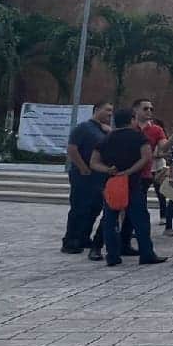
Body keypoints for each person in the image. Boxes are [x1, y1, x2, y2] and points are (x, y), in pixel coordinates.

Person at [90, 107, 165, 266]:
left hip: (112, 183)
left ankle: (112, 256)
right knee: (140, 221)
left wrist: (108, 170)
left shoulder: (106, 139)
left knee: (110, 220)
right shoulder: (139, 137)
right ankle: (146, 254)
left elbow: (94, 162)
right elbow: (147, 157)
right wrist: (129, 171)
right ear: (132, 120)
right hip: (132, 184)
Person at [61, 101, 113, 259]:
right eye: (107, 110)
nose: (110, 114)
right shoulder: (84, 128)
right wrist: (83, 167)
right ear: (97, 110)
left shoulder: (104, 130)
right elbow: (72, 148)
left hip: (99, 176)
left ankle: (84, 237)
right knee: (80, 207)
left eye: (112, 111)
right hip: (83, 175)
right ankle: (71, 241)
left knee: (94, 208)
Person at [118, 98, 167, 255]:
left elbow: (163, 148)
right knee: (118, 211)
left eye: (151, 109)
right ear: (135, 111)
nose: (149, 112)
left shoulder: (156, 130)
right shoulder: (128, 130)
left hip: (143, 176)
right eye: (145, 109)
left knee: (137, 213)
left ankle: (129, 246)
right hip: (124, 174)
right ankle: (103, 246)